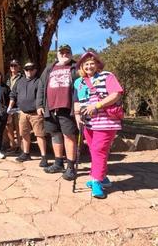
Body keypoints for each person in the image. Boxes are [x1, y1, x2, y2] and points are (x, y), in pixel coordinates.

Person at [73, 52, 124, 198]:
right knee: (94, 150)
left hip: (106, 122)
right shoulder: (79, 82)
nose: (89, 66)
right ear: (81, 66)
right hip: (88, 123)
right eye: (86, 63)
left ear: (97, 64)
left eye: (92, 63)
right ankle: (102, 177)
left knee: (98, 150)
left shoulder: (107, 76)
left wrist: (98, 105)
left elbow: (116, 94)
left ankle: (96, 181)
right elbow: (77, 102)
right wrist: (77, 117)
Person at [37, 44, 79, 180]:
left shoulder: (76, 67)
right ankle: (58, 163)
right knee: (55, 135)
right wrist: (39, 104)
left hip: (68, 108)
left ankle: (71, 167)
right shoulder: (50, 68)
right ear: (58, 53)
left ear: (71, 53)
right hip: (50, 108)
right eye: (62, 52)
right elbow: (41, 86)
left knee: (69, 136)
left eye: (67, 52)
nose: (64, 54)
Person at [8, 62, 48, 167]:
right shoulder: (19, 81)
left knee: (40, 134)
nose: (29, 71)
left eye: (31, 69)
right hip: (23, 113)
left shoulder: (39, 81)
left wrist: (40, 107)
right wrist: (10, 107)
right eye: (27, 69)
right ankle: (26, 153)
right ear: (24, 70)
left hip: (36, 113)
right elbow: (13, 94)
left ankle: (44, 157)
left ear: (35, 70)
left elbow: (42, 96)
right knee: (24, 134)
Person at [5, 59, 22, 152]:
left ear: (19, 67)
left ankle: (20, 146)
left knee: (19, 126)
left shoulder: (22, 77)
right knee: (9, 125)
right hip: (8, 104)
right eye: (12, 65)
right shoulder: (7, 78)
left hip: (18, 105)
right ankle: (13, 145)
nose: (13, 67)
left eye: (15, 65)